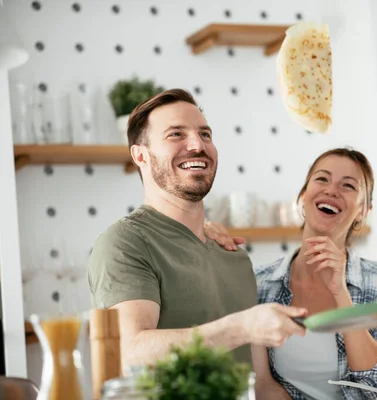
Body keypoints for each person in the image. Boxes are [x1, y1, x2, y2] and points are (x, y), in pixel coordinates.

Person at [87, 88, 308, 371]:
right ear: (141, 156)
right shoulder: (125, 242)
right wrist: (241, 327)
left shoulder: (234, 257)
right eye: (176, 134)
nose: (197, 145)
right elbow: (129, 350)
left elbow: (261, 385)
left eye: (205, 134)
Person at [206, 148, 377, 400]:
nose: (331, 190)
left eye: (348, 186)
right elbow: (248, 380)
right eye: (322, 179)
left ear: (363, 210)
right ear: (303, 196)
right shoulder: (258, 284)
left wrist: (340, 292)